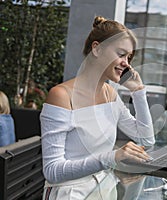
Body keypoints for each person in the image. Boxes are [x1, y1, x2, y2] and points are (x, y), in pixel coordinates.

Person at [40, 16, 155, 199]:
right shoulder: (61, 96)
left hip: (104, 189)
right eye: (120, 53)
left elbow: (146, 140)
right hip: (70, 194)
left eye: (129, 57)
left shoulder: (110, 94)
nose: (127, 63)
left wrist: (138, 92)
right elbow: (52, 171)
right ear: (97, 48)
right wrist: (113, 157)